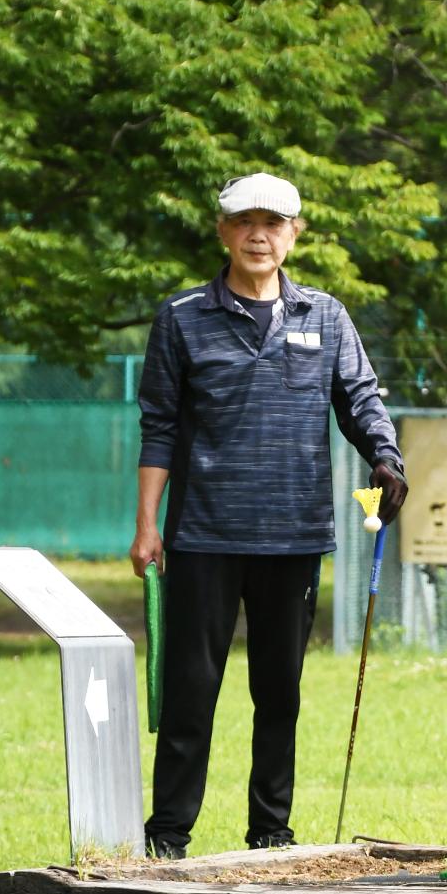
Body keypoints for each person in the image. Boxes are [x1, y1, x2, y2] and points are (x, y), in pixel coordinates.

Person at [131, 171, 406, 858]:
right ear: (223, 230)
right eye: (245, 221)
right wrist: (147, 524)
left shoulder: (326, 315)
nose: (259, 234)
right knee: (191, 695)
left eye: (274, 222)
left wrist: (385, 458)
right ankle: (168, 837)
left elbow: (361, 400)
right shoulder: (182, 316)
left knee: (278, 693)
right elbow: (158, 426)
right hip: (203, 535)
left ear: (294, 233)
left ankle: (271, 835)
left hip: (294, 535)